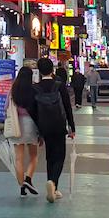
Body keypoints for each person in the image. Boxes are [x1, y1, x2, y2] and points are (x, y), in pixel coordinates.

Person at [32, 58, 76, 203]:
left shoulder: (35, 88)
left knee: (49, 156)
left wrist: (38, 130)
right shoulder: (59, 85)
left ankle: (53, 186)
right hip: (59, 125)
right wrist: (72, 127)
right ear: (52, 70)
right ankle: (53, 183)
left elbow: (34, 111)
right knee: (60, 156)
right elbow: (67, 107)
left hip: (44, 126)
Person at [8, 65, 41, 197]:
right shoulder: (34, 89)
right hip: (32, 124)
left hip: (17, 125)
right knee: (33, 156)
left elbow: (6, 107)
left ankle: (22, 187)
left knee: (19, 159)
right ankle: (28, 178)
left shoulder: (13, 90)